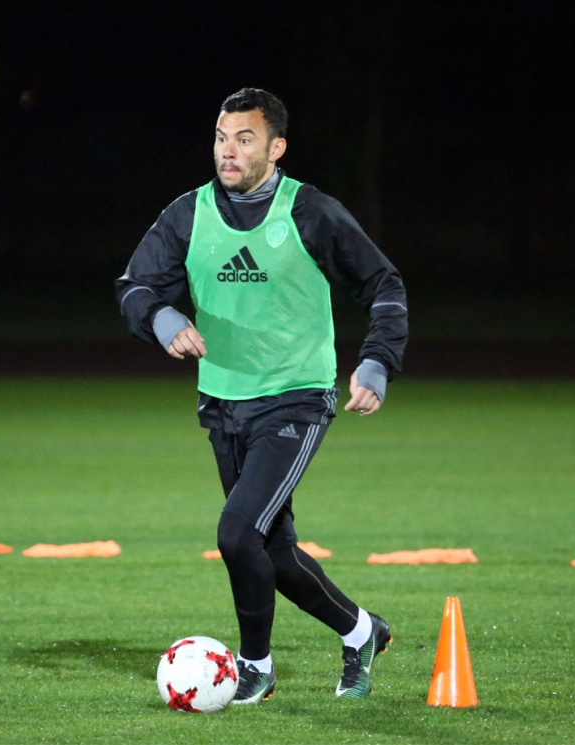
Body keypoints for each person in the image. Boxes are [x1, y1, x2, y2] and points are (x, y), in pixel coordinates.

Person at [115, 88, 409, 704]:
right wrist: (162, 319)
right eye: (222, 138)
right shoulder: (188, 214)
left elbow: (383, 284)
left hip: (295, 397)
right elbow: (135, 285)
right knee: (271, 550)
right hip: (223, 403)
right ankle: (362, 632)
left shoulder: (312, 212)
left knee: (236, 532)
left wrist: (377, 361)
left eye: (245, 139)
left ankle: (255, 667)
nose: (228, 150)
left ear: (276, 148)